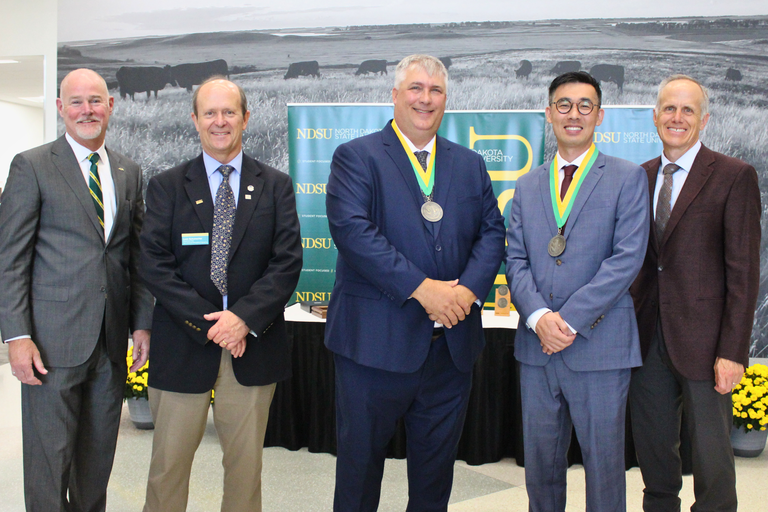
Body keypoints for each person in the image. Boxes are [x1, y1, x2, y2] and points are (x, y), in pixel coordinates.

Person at [325, 54, 506, 512]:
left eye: (436, 91)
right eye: (416, 88)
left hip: (450, 351)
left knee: (434, 478)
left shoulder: (469, 164)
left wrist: (464, 294)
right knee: (359, 473)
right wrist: (426, 290)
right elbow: (353, 233)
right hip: (373, 350)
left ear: (446, 100)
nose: (426, 99)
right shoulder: (356, 156)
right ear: (395, 95)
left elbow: (492, 232)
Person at [138, 77, 302, 512]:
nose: (220, 121)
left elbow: (286, 264)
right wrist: (212, 324)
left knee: (245, 472)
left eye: (229, 112)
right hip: (183, 344)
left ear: (245, 118)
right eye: (209, 112)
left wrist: (242, 319)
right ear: (194, 120)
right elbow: (154, 264)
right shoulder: (167, 186)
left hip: (252, 348)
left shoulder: (276, 186)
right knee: (167, 469)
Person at [0, 68, 153, 512]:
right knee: (50, 463)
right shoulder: (31, 166)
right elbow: (10, 259)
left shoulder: (128, 171)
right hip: (50, 343)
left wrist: (141, 325)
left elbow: (134, 256)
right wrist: (17, 336)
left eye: (95, 100)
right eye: (76, 101)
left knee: (96, 461)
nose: (87, 109)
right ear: (60, 109)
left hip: (109, 345)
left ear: (111, 106)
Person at [505, 71, 650, 511]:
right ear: (549, 113)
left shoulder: (627, 178)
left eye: (585, 105)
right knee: (541, 469)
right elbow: (516, 260)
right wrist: (538, 318)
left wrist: (564, 321)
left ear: (600, 115)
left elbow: (626, 260)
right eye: (564, 105)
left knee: (604, 470)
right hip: (537, 349)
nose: (574, 114)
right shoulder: (529, 183)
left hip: (599, 348)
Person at [629, 74, 761, 512]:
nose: (677, 117)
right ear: (655, 117)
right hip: (647, 340)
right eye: (669, 108)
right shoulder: (639, 178)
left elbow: (743, 273)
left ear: (704, 120)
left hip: (708, 345)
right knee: (653, 451)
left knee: (712, 459)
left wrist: (733, 351)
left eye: (688, 110)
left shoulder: (733, 176)